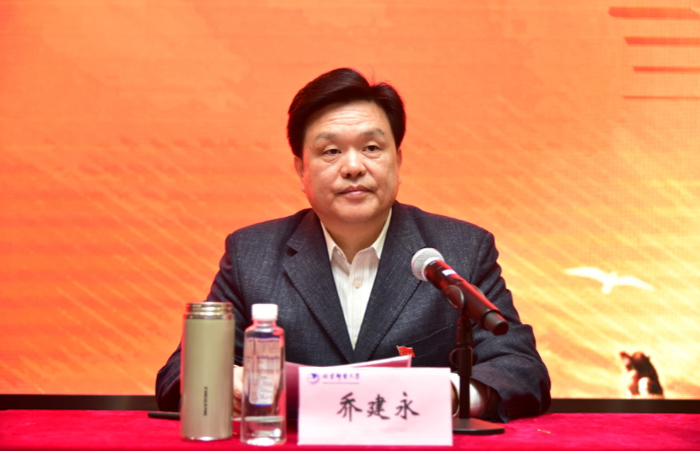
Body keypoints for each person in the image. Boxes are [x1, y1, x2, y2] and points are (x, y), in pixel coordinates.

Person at [156, 68, 551, 422]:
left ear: (398, 161)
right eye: (330, 151)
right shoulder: (252, 254)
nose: (353, 166)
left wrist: (448, 395)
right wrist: (218, 381)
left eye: (371, 148)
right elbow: (177, 374)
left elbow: (519, 366)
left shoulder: (461, 249)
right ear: (301, 170)